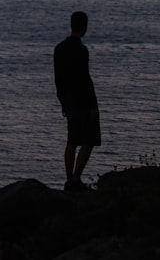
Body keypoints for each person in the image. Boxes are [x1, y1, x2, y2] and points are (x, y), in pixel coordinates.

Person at [54, 11, 101, 191]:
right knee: (88, 141)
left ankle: (69, 179)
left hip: (69, 101)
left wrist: (63, 102)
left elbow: (58, 79)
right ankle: (75, 178)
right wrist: (93, 105)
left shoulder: (59, 48)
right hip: (83, 101)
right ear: (84, 27)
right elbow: (85, 79)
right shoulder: (81, 50)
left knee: (72, 140)